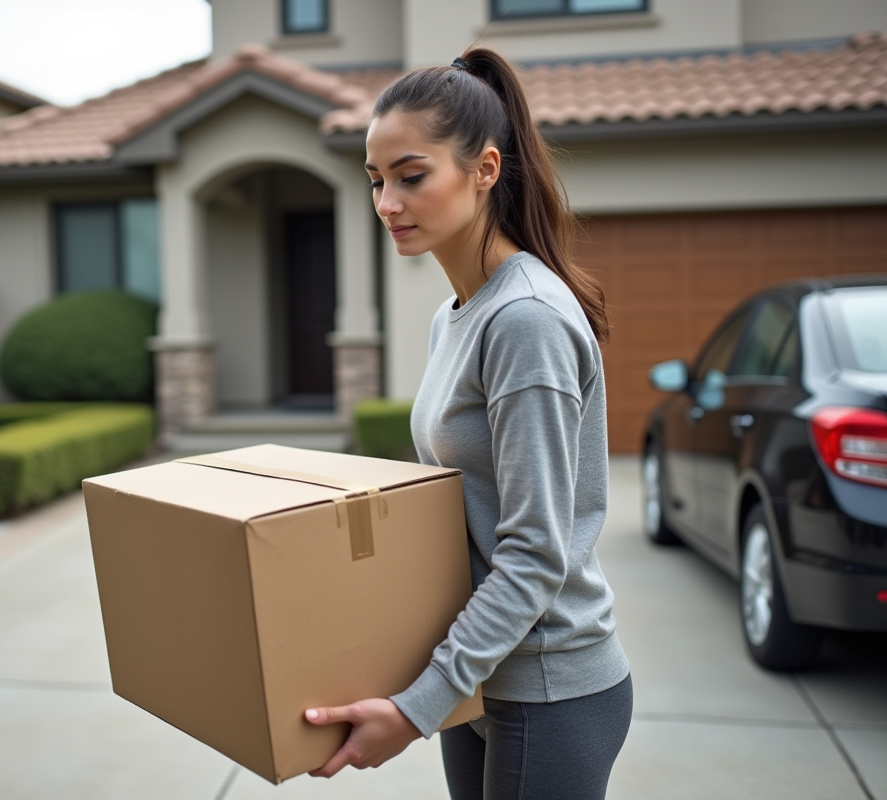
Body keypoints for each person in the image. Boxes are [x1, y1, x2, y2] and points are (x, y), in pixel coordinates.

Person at [303, 45, 633, 800]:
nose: (387, 202)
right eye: (376, 180)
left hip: (549, 688)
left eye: (411, 176)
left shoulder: (523, 319)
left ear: (484, 170)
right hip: (481, 676)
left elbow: (534, 555)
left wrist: (415, 709)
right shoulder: (454, 317)